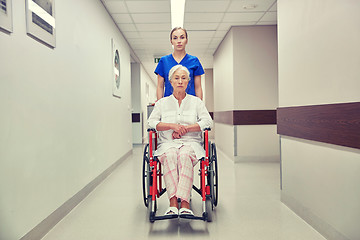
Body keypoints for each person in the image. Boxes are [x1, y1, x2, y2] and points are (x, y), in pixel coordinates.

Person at [148, 65, 213, 217]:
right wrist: (171, 126)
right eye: (176, 78)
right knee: (170, 155)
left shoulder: (197, 102)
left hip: (191, 143)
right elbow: (151, 123)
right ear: (170, 81)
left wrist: (187, 129)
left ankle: (185, 203)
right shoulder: (161, 103)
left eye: (184, 78)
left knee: (184, 156)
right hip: (167, 144)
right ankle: (172, 203)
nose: (180, 81)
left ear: (188, 82)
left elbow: (207, 122)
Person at [155, 27, 205, 100]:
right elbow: (160, 86)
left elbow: (198, 87)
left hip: (190, 104)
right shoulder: (164, 61)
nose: (179, 41)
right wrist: (159, 106)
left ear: (186, 40)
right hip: (169, 104)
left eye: (182, 37)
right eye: (175, 38)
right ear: (171, 41)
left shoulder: (194, 61)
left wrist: (199, 105)